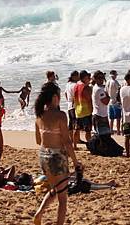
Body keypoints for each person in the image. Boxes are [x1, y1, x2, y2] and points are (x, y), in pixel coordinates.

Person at [33, 82, 82, 225]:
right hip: (57, 157)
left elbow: (38, 140)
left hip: (43, 156)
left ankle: (40, 212)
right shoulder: (60, 115)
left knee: (56, 189)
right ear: (55, 97)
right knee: (63, 199)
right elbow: (67, 142)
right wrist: (75, 161)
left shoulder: (39, 115)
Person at [73, 70, 93, 148]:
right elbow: (89, 100)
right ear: (84, 78)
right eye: (88, 77)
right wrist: (92, 109)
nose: (89, 78)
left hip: (78, 110)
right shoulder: (85, 87)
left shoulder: (76, 86)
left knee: (77, 129)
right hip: (86, 111)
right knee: (88, 131)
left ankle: (74, 145)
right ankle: (90, 145)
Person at [91, 71, 111, 135]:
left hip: (98, 113)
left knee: (101, 137)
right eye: (99, 78)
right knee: (104, 137)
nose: (101, 79)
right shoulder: (99, 89)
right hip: (100, 115)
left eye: (102, 77)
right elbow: (106, 102)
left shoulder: (95, 87)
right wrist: (108, 94)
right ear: (95, 79)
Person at [106, 70, 122, 136]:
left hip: (110, 102)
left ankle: (111, 130)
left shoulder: (108, 82)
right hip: (115, 101)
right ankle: (118, 131)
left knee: (111, 118)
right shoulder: (115, 82)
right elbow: (119, 91)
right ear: (114, 75)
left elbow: (106, 91)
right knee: (118, 118)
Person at [64, 71, 79, 137]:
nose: (79, 77)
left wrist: (68, 100)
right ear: (74, 77)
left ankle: (71, 139)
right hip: (74, 105)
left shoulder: (68, 84)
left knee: (70, 123)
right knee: (76, 123)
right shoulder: (75, 85)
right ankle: (76, 139)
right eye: (77, 76)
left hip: (69, 105)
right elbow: (76, 96)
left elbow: (65, 93)